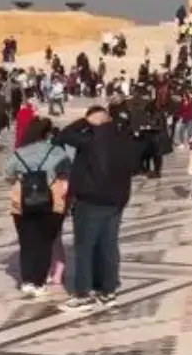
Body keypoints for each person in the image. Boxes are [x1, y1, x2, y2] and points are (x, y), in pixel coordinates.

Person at [54, 105, 137, 312]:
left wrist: (84, 122)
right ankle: (108, 291)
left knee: (84, 247)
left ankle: (84, 294)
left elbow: (63, 136)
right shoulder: (123, 139)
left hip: (91, 200)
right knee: (109, 246)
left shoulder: (90, 139)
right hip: (116, 201)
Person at [4, 117, 71, 298]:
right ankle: (39, 281)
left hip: (23, 202)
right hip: (50, 202)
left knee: (27, 242)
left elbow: (8, 174)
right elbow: (67, 171)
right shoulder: (57, 152)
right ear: (47, 134)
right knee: (45, 243)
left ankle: (27, 281)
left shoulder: (19, 152)